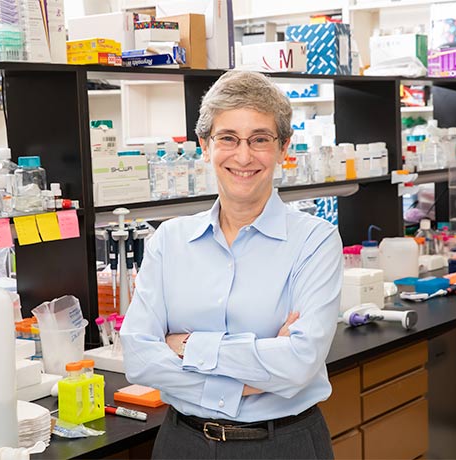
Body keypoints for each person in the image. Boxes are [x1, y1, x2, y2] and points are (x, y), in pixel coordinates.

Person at [120, 70, 343, 459]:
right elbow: (139, 359)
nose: (243, 156)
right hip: (182, 443)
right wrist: (260, 365)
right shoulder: (168, 241)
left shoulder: (315, 241)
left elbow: (299, 363)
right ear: (205, 145)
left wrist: (186, 346)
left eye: (260, 139)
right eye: (227, 138)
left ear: (284, 147)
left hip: (283, 445)